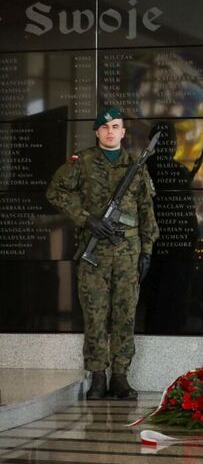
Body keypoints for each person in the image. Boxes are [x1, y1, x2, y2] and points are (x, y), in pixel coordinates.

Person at [46, 107, 159, 400]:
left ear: (123, 132)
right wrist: (86, 219)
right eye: (105, 127)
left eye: (116, 127)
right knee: (95, 315)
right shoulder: (81, 162)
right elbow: (55, 192)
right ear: (97, 132)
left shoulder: (136, 166)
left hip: (127, 253)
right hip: (94, 254)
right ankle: (97, 377)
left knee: (125, 315)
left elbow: (146, 211)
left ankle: (120, 377)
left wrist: (147, 251)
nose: (110, 132)